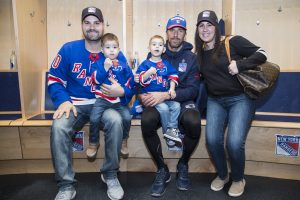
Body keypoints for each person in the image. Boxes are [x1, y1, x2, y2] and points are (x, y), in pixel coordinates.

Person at [48, 7, 130, 200]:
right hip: (74, 104)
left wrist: (123, 91)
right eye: (87, 22)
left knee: (116, 121)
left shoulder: (112, 50)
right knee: (59, 126)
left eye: (96, 22)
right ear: (82, 26)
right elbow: (54, 79)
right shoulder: (68, 49)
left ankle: (110, 174)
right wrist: (63, 101)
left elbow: (129, 83)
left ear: (103, 25)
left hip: (103, 104)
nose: (92, 27)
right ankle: (66, 185)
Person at [194, 10, 267, 197]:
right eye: (201, 25)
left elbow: (262, 53)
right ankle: (223, 175)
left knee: (234, 143)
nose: (205, 29)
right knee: (212, 140)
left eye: (209, 24)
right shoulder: (199, 52)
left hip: (240, 99)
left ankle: (238, 178)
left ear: (216, 27)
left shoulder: (231, 41)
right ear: (197, 30)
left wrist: (239, 65)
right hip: (215, 101)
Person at [139, 16, 201, 197]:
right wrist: (142, 95)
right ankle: (162, 169)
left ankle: (183, 164)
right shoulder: (156, 52)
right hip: (159, 103)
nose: (176, 33)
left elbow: (193, 90)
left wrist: (167, 94)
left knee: (194, 122)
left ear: (185, 34)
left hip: (181, 101)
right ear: (166, 33)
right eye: (172, 30)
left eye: (180, 30)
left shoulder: (191, 58)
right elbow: (142, 81)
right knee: (147, 120)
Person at [87, 33, 135, 159]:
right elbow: (95, 80)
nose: (111, 50)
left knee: (126, 118)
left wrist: (122, 90)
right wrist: (105, 68)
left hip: (119, 101)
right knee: (94, 118)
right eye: (108, 47)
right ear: (102, 50)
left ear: (119, 49)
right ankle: (93, 142)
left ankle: (124, 140)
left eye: (114, 47)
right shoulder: (98, 63)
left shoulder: (123, 65)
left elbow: (131, 82)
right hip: (102, 100)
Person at [135, 35, 181, 147]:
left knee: (176, 106)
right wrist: (149, 73)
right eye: (154, 44)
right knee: (165, 109)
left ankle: (172, 129)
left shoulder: (166, 64)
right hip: (151, 98)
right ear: (149, 48)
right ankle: (167, 134)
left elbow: (173, 76)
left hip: (163, 97)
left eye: (160, 45)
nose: (157, 47)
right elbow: (139, 80)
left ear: (164, 49)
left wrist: (171, 88)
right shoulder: (145, 64)